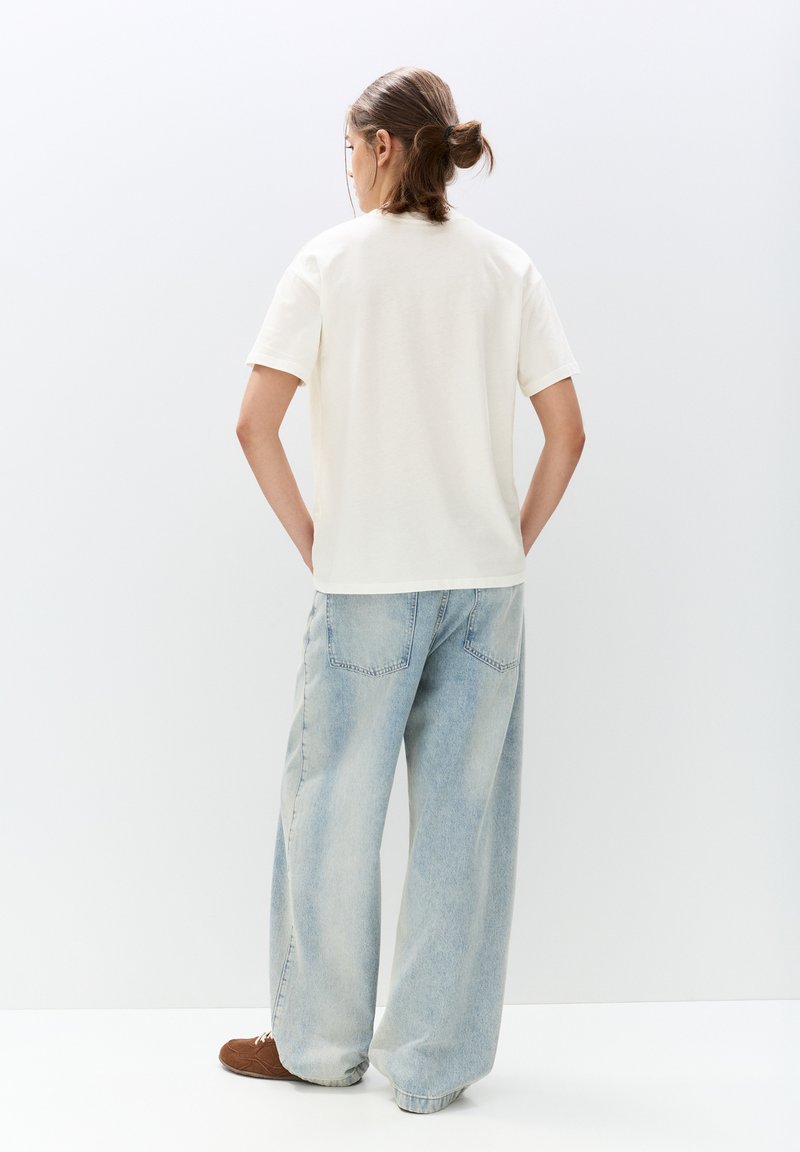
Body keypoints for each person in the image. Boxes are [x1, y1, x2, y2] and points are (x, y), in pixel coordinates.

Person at [218, 66, 585, 1114]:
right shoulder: (505, 267)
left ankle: (320, 1046)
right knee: (462, 827)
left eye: (350, 149)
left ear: (384, 146)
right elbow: (567, 434)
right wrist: (509, 540)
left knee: (331, 814)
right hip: (485, 589)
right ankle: (431, 1067)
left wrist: (313, 540)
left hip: (366, 585)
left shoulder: (329, 263)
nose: (347, 169)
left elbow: (253, 423)